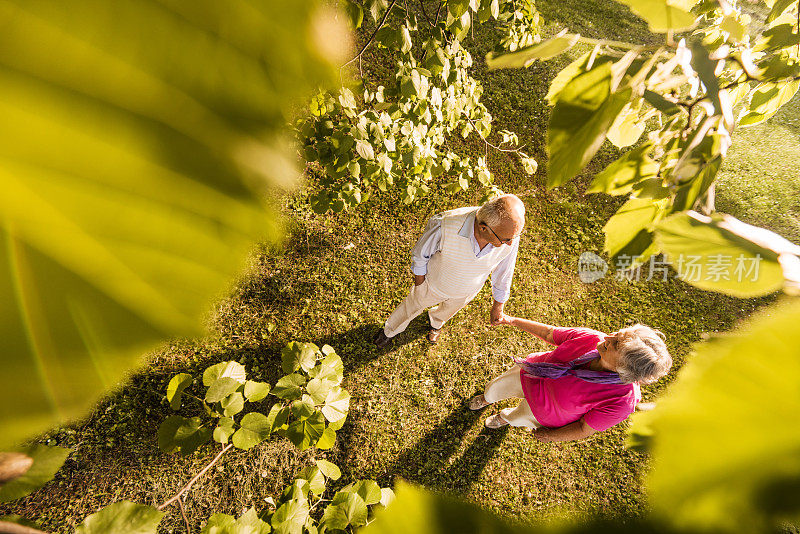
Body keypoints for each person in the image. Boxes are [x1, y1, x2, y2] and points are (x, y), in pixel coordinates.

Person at [468, 316, 671, 442]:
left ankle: (504, 418)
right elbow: (549, 333)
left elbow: (584, 428)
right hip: (530, 374)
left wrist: (551, 436)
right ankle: (487, 399)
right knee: (495, 388)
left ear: (625, 367)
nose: (607, 337)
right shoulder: (593, 339)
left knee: (517, 418)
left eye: (615, 343)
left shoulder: (621, 402)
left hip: (543, 412)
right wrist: (510, 320)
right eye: (617, 334)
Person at [374, 194, 526, 347]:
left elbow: (505, 271)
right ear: (483, 228)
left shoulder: (508, 234)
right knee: (410, 308)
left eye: (514, 237)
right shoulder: (445, 225)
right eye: (506, 239)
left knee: (447, 312)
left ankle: (436, 322)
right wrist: (420, 285)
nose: (510, 243)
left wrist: (498, 305)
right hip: (432, 285)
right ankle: (390, 330)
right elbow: (420, 256)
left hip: (466, 292)